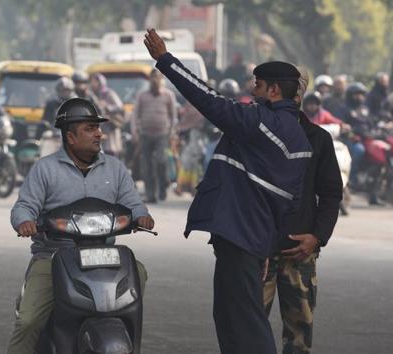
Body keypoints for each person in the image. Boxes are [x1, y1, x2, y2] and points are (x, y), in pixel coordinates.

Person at [144, 28, 312, 354]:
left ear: (274, 90)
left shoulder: (259, 122)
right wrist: (266, 248)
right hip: (253, 239)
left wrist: (165, 60)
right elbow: (288, 206)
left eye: (258, 85)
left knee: (245, 322)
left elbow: (208, 99)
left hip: (239, 234)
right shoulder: (300, 140)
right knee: (231, 317)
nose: (253, 90)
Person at [7, 97, 155, 354]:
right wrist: (25, 222)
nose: (99, 134)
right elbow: (24, 206)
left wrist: (142, 216)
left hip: (104, 255)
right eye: (90, 129)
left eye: (98, 128)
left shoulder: (115, 168)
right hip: (54, 256)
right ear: (70, 137)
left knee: (138, 271)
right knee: (28, 321)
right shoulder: (45, 169)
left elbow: (133, 203)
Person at [263, 74, 343, 354]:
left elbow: (332, 194)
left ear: (298, 97)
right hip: (259, 249)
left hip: (300, 252)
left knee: (299, 334)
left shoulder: (318, 139)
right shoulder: (257, 134)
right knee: (249, 329)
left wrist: (317, 237)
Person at [132, 69, 178, 203]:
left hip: (162, 135)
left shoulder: (168, 95)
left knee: (161, 161)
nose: (155, 80)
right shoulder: (142, 96)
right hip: (145, 135)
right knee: (146, 165)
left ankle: (163, 188)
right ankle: (150, 194)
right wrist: (134, 130)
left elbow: (173, 116)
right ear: (149, 80)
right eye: (152, 78)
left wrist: (172, 133)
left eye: (157, 78)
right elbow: (135, 114)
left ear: (161, 79)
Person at [343, 82, 373, 192]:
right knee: (359, 151)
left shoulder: (365, 109)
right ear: (350, 95)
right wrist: (351, 135)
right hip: (352, 139)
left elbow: (371, 123)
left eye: (361, 94)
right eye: (356, 94)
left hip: (368, 138)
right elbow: (341, 125)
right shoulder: (344, 108)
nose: (359, 96)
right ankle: (352, 178)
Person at [90, 73, 125, 157]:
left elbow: (119, 106)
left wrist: (107, 106)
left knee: (111, 151)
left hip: (110, 125)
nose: (92, 84)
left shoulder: (109, 93)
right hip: (99, 126)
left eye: (94, 82)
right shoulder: (93, 95)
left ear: (100, 82)